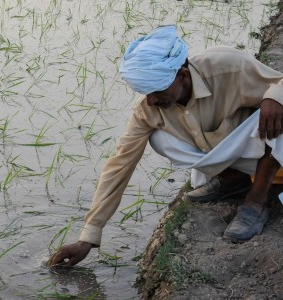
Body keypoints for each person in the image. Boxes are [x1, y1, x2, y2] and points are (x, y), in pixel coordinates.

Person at [49, 25, 283, 267]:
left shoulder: (228, 68)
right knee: (159, 138)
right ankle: (232, 181)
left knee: (279, 107)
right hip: (231, 153)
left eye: (157, 91)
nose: (151, 100)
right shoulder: (148, 109)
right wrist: (88, 237)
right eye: (145, 93)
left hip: (264, 150)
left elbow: (280, 81)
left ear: (181, 76)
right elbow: (119, 165)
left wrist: (274, 97)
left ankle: (256, 201)